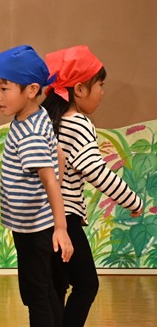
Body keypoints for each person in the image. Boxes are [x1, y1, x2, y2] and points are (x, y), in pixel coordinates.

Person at [41, 45, 143, 327]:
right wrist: (133, 200)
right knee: (86, 285)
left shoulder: (48, 120)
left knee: (57, 286)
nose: (102, 92)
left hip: (42, 219)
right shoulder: (78, 123)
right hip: (65, 218)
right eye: (100, 85)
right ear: (80, 89)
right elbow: (96, 171)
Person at [0, 45, 74, 327]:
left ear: (32, 89)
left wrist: (60, 227)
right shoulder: (36, 117)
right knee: (44, 290)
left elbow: (48, 179)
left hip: (34, 229)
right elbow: (59, 154)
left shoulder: (30, 133)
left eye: (4, 88)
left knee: (36, 295)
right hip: (32, 224)